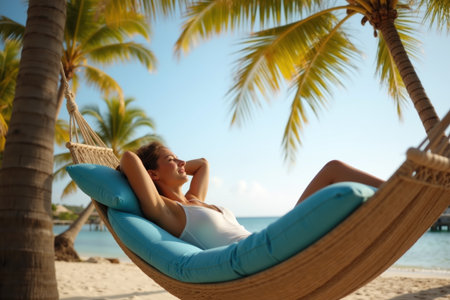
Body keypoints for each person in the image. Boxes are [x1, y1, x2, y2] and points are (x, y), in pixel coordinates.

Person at [119, 141, 384, 249]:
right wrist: (161, 168)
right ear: (151, 174)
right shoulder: (168, 212)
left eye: (180, 158)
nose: (181, 161)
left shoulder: (193, 200)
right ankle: (400, 191)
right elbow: (129, 158)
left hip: (272, 238)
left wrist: (174, 165)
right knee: (333, 170)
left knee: (334, 171)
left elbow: (203, 164)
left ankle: (400, 194)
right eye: (172, 159)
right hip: (266, 249)